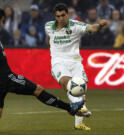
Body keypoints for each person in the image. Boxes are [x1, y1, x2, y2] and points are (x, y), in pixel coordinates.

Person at [0, 7, 84, 133]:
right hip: (5, 76)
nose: (2, 24)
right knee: (37, 90)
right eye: (2, 21)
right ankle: (69, 108)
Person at [45, 3, 108, 131]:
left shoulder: (76, 25)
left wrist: (100, 26)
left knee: (80, 88)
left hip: (75, 61)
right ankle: (79, 106)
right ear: (55, 16)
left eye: (63, 15)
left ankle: (78, 123)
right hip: (58, 61)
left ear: (68, 14)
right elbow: (49, 38)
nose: (61, 18)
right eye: (58, 16)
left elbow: (91, 28)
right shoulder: (48, 26)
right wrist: (51, 49)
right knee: (66, 82)